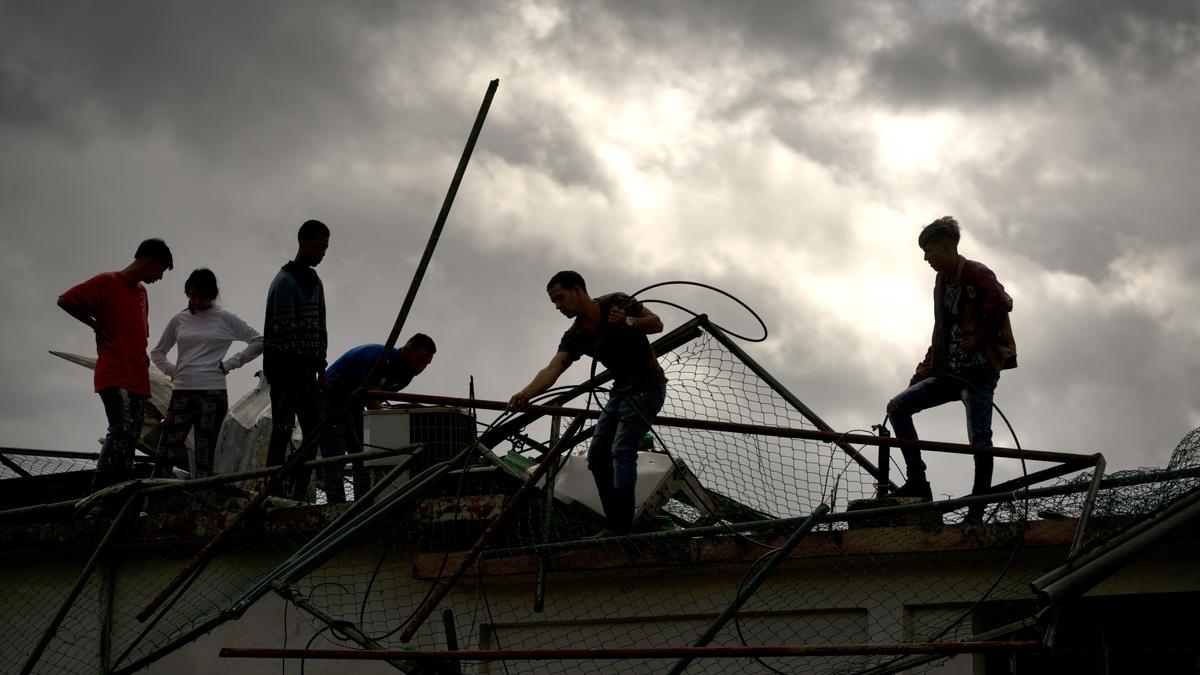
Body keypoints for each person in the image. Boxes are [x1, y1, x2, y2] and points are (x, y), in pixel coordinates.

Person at [508, 271, 667, 534]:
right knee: (597, 456)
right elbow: (552, 370)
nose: (558, 306)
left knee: (622, 451)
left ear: (578, 290)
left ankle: (622, 526)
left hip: (647, 389)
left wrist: (627, 321)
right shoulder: (577, 334)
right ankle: (615, 520)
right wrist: (524, 393)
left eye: (560, 298)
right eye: (554, 302)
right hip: (621, 393)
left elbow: (656, 324)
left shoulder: (617, 301)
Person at [886, 216, 1017, 521]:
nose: (926, 258)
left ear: (946, 248)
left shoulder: (977, 272)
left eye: (929, 251)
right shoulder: (941, 282)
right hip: (949, 371)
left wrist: (981, 336)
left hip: (979, 372)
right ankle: (917, 480)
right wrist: (924, 369)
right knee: (897, 407)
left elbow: (1002, 303)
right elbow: (941, 330)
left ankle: (976, 511)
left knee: (979, 439)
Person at [57, 238, 174, 490]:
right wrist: (95, 324)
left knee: (132, 435)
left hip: (137, 373)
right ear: (149, 262)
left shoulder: (142, 292)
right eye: (160, 271)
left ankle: (119, 487)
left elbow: (141, 330)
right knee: (119, 428)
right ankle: (99, 487)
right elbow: (65, 300)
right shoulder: (106, 281)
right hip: (113, 370)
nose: (160, 278)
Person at [150, 269, 263, 478]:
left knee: (204, 454)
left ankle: (200, 504)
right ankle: (153, 500)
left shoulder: (224, 317)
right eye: (192, 296)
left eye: (201, 297)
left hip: (212, 393)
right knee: (166, 450)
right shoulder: (179, 320)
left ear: (211, 295)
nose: (196, 301)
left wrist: (230, 363)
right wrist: (173, 371)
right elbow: (157, 353)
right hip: (182, 392)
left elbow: (258, 341)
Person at [319, 335, 437, 502]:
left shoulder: (406, 376)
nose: (421, 367)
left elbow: (375, 403)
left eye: (426, 363)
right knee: (335, 454)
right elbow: (373, 404)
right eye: (419, 359)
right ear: (407, 350)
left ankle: (363, 502)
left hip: (354, 403)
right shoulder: (380, 357)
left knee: (362, 453)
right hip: (330, 395)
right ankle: (336, 505)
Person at [263, 219, 330, 499]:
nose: (322, 253)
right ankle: (272, 491)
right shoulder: (285, 281)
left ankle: (300, 489)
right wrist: (300, 373)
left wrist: (320, 367)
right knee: (282, 429)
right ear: (303, 243)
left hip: (308, 372)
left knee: (314, 431)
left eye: (325, 247)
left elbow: (321, 324)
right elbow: (285, 333)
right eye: (318, 246)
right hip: (285, 371)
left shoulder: (315, 281)